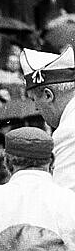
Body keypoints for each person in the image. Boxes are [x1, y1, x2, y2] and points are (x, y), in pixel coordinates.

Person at [20, 46, 75, 191]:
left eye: (34, 100)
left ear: (48, 95)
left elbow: (64, 200)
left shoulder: (68, 132)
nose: (36, 109)